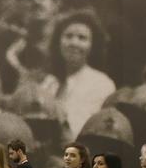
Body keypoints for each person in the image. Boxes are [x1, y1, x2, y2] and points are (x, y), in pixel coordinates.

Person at [39, 10, 115, 140]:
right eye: (68, 36)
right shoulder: (50, 81)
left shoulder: (102, 83)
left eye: (82, 38)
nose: (74, 43)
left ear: (93, 46)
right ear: (58, 42)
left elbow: (83, 131)